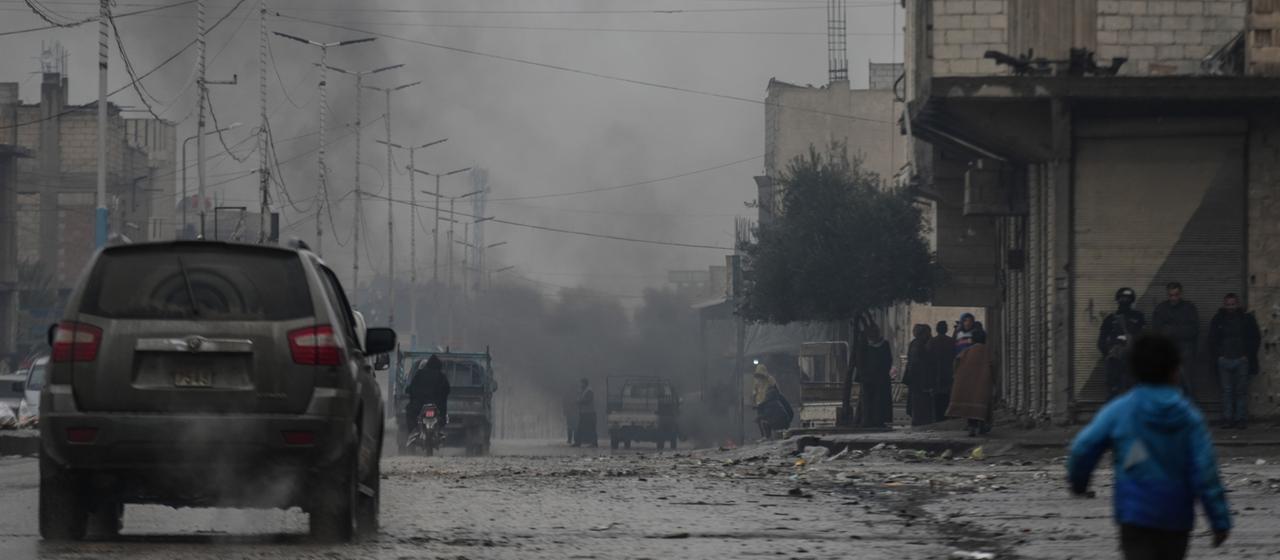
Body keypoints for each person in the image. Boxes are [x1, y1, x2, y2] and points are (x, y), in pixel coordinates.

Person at [1067, 333, 1231, 560]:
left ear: (1133, 370)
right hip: (1177, 517)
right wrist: (1219, 521)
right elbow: (1206, 472)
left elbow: (1083, 447)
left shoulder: (1121, 410)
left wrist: (1079, 483)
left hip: (1135, 515)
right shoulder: (1188, 417)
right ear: (1175, 371)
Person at [1208, 293, 1260, 429]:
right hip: (1224, 360)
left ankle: (1240, 419)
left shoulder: (1247, 319)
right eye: (1228, 304)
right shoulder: (1218, 319)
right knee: (1227, 391)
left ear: (1238, 304)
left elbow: (1255, 338)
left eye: (1233, 304)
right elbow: (1212, 339)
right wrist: (1219, 356)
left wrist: (1247, 355)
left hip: (1241, 360)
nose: (1230, 307)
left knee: (1240, 391)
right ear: (1224, 305)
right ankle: (1227, 418)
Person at [1152, 281, 1200, 399]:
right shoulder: (1161, 308)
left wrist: (1171, 330)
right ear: (1167, 294)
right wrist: (1180, 330)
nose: (1173, 298)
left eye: (1176, 295)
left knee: (1187, 383)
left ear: (1180, 293)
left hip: (1186, 351)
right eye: (1171, 295)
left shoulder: (1189, 308)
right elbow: (1157, 330)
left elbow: (1194, 330)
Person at [1098, 287, 1146, 399]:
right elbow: (1101, 340)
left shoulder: (1138, 317)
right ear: (1118, 299)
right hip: (1116, 358)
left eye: (1128, 298)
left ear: (1132, 300)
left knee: (1134, 388)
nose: (1125, 301)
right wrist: (1109, 353)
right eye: (1122, 298)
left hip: (1133, 358)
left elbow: (1143, 337)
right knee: (1113, 389)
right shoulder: (1110, 319)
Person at [947, 330, 997, 437]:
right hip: (983, 384)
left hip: (968, 383)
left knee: (971, 408)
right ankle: (983, 426)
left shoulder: (966, 351)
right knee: (984, 406)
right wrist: (995, 382)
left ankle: (972, 428)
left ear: (972, 340)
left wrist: (957, 376)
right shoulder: (988, 352)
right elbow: (993, 367)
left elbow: (956, 363)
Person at [855, 325, 894, 428]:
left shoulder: (884, 344)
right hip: (869, 378)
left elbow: (888, 361)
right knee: (868, 400)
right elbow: (859, 362)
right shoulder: (864, 345)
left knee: (879, 400)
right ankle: (867, 420)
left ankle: (878, 420)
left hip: (879, 378)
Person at [902, 324, 937, 426]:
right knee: (921, 402)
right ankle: (920, 421)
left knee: (917, 402)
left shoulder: (914, 343)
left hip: (915, 379)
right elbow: (923, 363)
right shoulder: (922, 345)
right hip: (920, 379)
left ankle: (918, 420)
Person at [405, 355, 451, 433]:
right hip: (438, 405)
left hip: (419, 404)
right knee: (443, 417)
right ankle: (440, 430)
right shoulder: (441, 376)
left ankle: (412, 431)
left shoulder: (420, 374)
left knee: (409, 412)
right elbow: (447, 390)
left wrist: (409, 391)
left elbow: (412, 387)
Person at [928, 321, 957, 421]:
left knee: (936, 398)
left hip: (935, 374)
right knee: (947, 396)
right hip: (948, 373)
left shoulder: (932, 342)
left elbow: (928, 358)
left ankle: (938, 417)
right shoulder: (951, 342)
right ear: (946, 329)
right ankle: (946, 416)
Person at [751, 364, 781, 438]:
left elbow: (775, 388)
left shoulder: (770, 379)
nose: (760, 377)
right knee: (759, 420)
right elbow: (754, 392)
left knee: (766, 419)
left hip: (768, 402)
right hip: (759, 403)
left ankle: (768, 436)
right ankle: (763, 436)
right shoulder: (756, 380)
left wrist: (774, 398)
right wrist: (753, 402)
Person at [573, 378, 598, 447]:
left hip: (589, 413)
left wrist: (579, 401)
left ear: (585, 383)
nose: (580, 384)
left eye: (581, 383)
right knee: (580, 428)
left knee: (591, 428)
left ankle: (594, 443)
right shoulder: (582, 391)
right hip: (583, 412)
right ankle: (578, 442)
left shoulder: (589, 391)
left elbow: (587, 400)